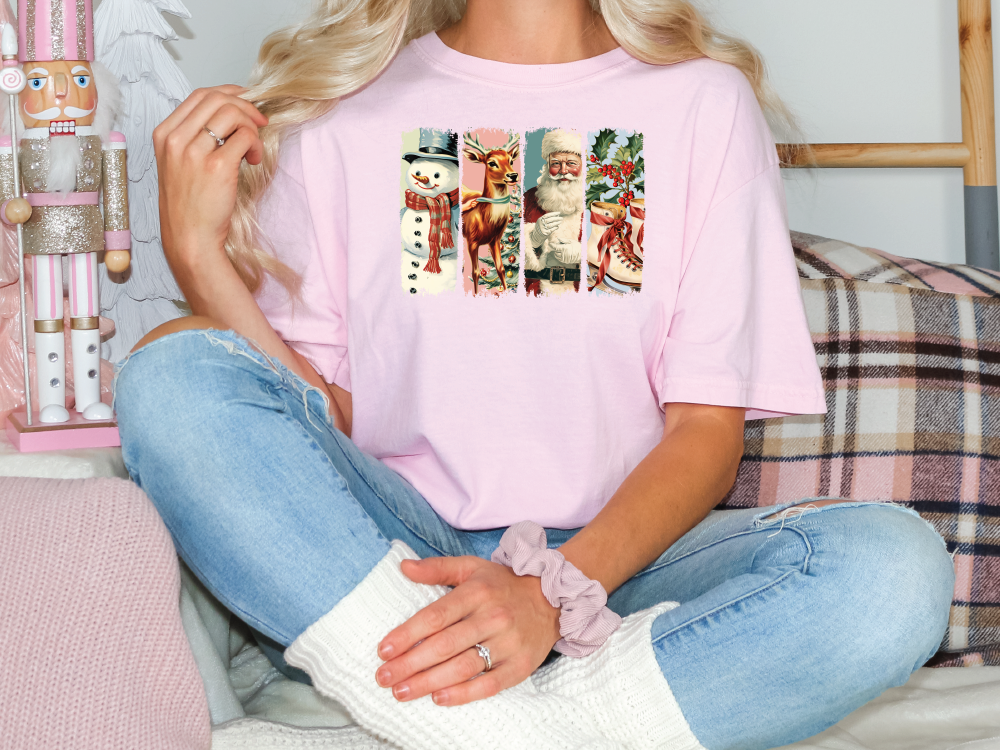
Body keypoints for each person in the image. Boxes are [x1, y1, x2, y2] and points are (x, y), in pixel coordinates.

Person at [112, 1, 955, 748]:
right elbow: (320, 422)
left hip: (620, 568)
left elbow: (706, 431)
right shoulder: (343, 110)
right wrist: (197, 255)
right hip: (403, 567)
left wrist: (553, 591)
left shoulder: (702, 102)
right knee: (172, 370)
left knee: (894, 571)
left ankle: (443, 727)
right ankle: (516, 727)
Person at [523, 129, 585, 296]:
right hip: (535, 292)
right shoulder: (528, 199)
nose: (563, 170)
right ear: (547, 165)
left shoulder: (593, 201)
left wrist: (584, 253)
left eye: (571, 163)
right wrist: (533, 240)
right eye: (556, 163)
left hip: (580, 294)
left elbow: (613, 252)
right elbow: (503, 249)